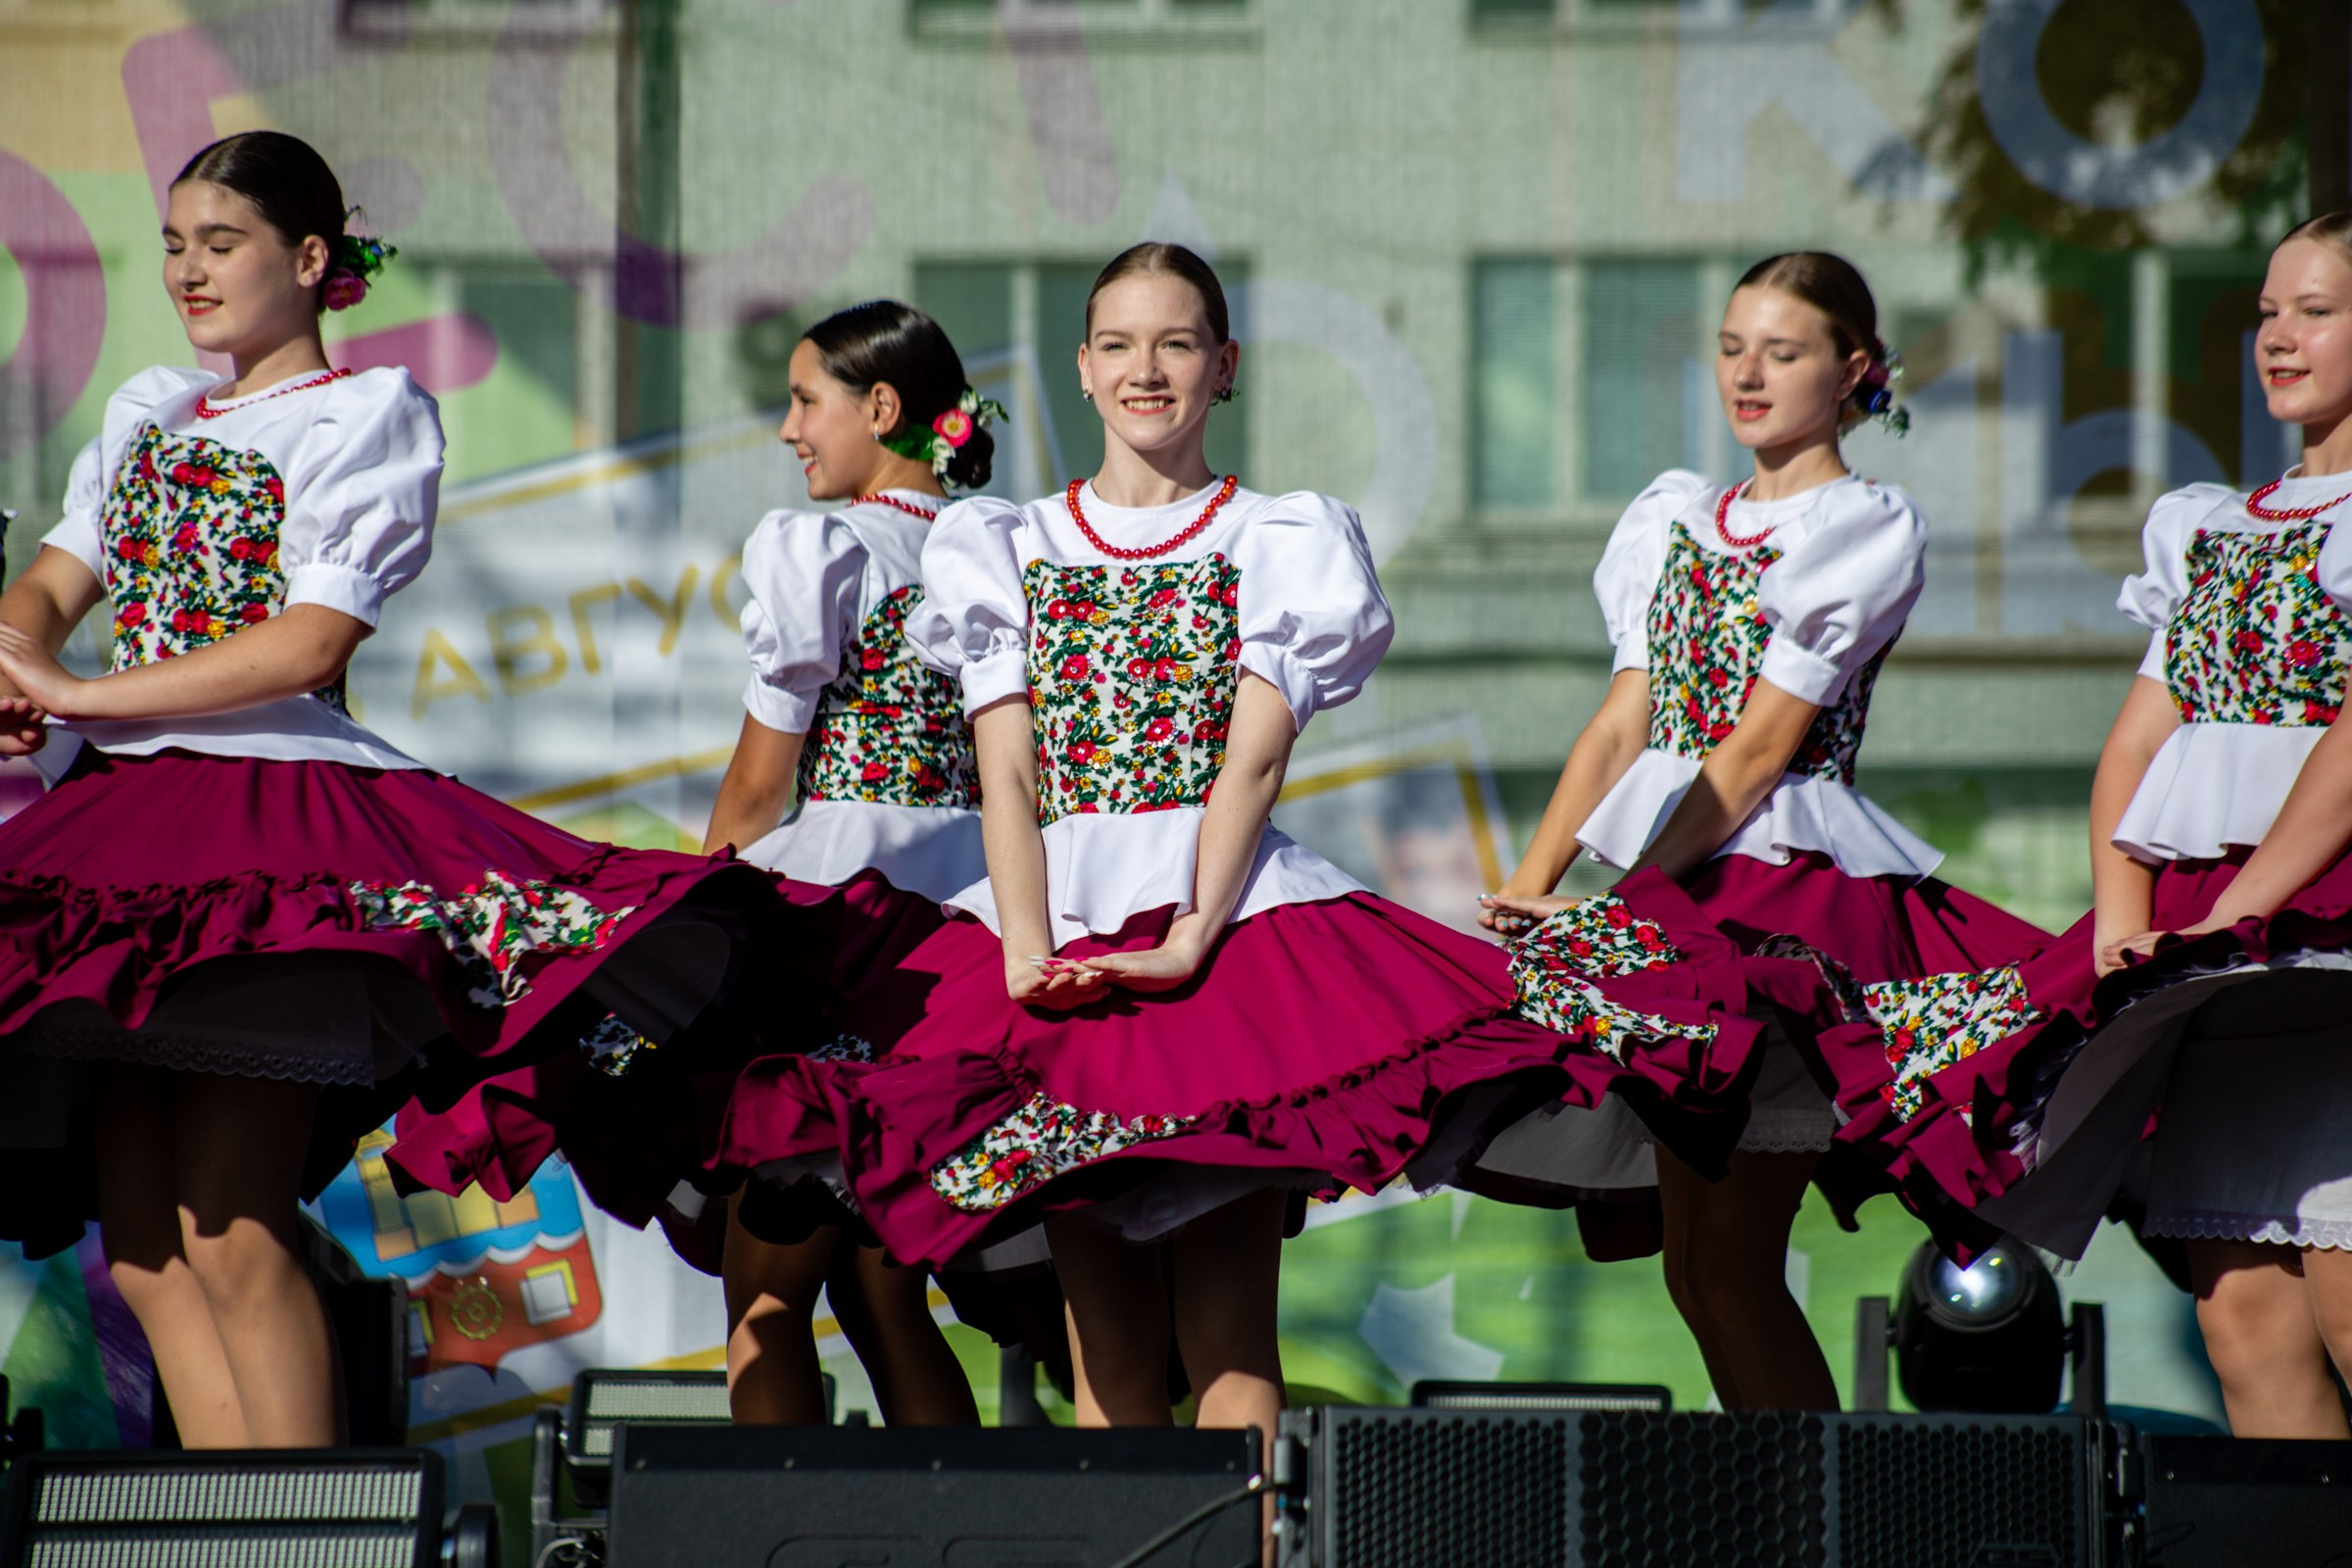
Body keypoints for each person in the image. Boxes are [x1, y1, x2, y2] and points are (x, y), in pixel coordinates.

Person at [0, 130, 819, 1447]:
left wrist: (82, 694)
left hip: (258, 818)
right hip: (124, 821)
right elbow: (52, 577)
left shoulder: (363, 414)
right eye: (173, 246)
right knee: (148, 1244)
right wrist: (22, 652)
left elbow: (313, 642)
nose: (188, 274)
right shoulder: (152, 406)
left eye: (223, 245)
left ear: (312, 260)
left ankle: (307, 1530)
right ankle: (228, 1532)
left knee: (231, 1219)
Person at [775, 243, 1570, 1451]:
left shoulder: (1277, 538)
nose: (1147, 369)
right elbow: (1009, 769)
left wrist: (1196, 932)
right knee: (1108, 1350)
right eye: (1119, 344)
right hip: (1059, 938)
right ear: (1082, 371)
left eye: (1177, 342)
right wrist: (1028, 956)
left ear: (1225, 368)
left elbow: (1251, 762)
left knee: (1230, 1337)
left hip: (1229, 929)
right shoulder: (1007, 545)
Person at [1468, 253, 2047, 1411]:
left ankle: (1806, 1523)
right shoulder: (1675, 515)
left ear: (1854, 373)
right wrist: (1530, 889)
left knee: (1730, 1266)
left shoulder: (1860, 525)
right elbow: (1621, 721)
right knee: (1699, 1273)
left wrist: (1616, 906)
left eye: (1783, 352)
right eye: (1734, 345)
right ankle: (1779, 1513)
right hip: (1669, 890)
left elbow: (1754, 753)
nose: (1749, 371)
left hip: (1770, 889)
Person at [1833, 216, 2352, 1440]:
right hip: (2215, 966)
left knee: (2344, 1294)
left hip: (2314, 940)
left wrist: (2242, 913)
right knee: (2242, 1321)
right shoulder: (2218, 522)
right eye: (2268, 310)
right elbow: (2138, 737)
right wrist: (2128, 924)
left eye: (2315, 311)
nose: (2278, 335)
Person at [702, 300, 997, 1426]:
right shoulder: (996, 552)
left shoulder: (823, 547)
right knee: (885, 1289)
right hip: (968, 928)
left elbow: (760, 785)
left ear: (881, 408)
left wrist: (688, 935)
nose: (789, 429)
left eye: (804, 400)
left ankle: (774, 1533)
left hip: (836, 929)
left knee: (765, 1297)